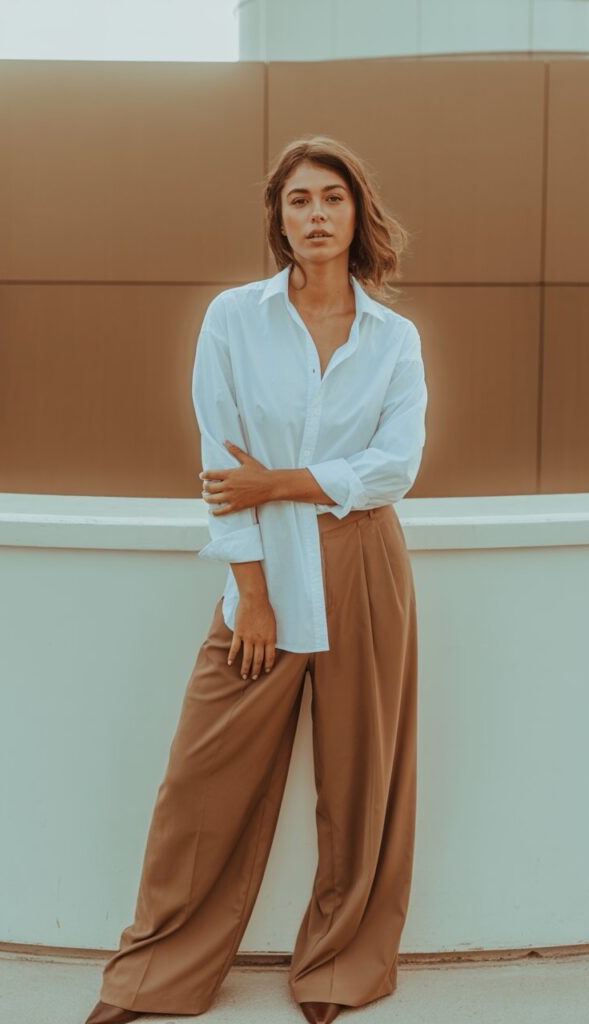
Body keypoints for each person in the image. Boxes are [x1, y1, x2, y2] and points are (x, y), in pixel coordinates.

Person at [84, 135, 428, 1024]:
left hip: (364, 562)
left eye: (333, 198)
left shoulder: (395, 339)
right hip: (264, 566)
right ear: (277, 220)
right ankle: (156, 974)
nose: (316, 215)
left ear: (358, 215)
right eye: (298, 201)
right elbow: (218, 462)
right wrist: (256, 594)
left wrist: (277, 479)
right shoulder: (234, 319)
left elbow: (394, 467)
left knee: (363, 778)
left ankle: (338, 968)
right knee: (202, 781)